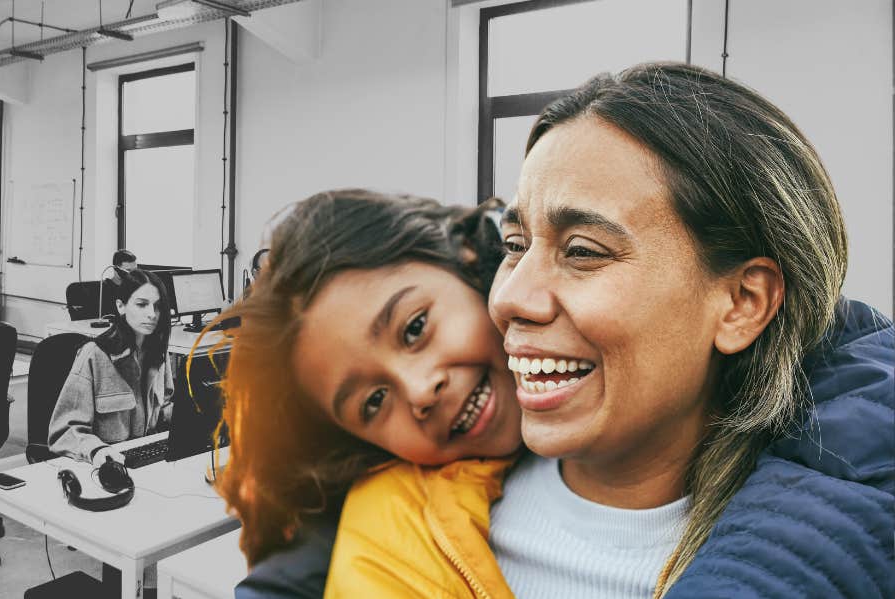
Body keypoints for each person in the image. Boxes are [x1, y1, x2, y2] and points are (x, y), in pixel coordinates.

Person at [236, 62, 894, 598]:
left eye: (581, 250)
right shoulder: (399, 535)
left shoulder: (836, 512)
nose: (513, 298)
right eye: (517, 243)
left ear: (742, 301)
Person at [202, 189, 520, 596]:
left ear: (467, 256)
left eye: (414, 328)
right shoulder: (385, 515)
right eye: (374, 402)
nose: (420, 390)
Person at [49, 268, 174, 463]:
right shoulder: (95, 355)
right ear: (121, 306)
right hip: (104, 463)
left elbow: (165, 407)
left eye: (157, 307)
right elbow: (65, 431)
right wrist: (96, 451)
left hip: (146, 457)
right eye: (142, 305)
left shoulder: (158, 353)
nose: (152, 314)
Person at [100, 249, 139, 319]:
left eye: (135, 270)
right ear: (116, 269)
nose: (132, 274)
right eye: (128, 270)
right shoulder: (104, 289)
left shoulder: (137, 287)